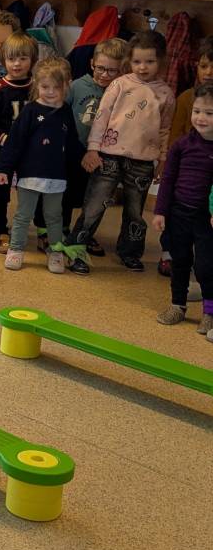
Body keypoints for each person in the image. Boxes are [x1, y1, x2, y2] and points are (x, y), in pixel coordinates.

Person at [71, 31, 175, 272]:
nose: (142, 67)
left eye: (150, 61)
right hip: (108, 156)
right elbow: (101, 118)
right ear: (130, 61)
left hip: (142, 162)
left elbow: (164, 130)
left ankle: (130, 252)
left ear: (161, 61)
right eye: (137, 61)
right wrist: (93, 149)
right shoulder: (120, 84)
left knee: (134, 212)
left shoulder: (166, 94)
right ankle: (76, 249)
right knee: (94, 205)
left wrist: (162, 159)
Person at [0, 57, 80, 273]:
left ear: (66, 85)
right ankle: (16, 249)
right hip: (29, 175)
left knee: (54, 217)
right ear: (36, 83)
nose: (50, 92)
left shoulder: (66, 113)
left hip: (56, 177)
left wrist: (80, 168)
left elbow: (72, 145)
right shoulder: (30, 111)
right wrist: (4, 169)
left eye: (56, 87)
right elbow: (14, 142)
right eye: (45, 87)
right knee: (23, 215)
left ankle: (55, 251)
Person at [152, 80, 213, 335]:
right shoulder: (182, 145)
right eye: (197, 111)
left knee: (206, 266)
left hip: (205, 219)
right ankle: (178, 304)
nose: (201, 118)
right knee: (180, 261)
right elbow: (168, 179)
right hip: (178, 212)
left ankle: (209, 312)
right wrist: (160, 210)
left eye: (209, 113)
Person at [158, 37, 213, 278]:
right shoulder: (186, 98)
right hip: (185, 172)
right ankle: (169, 255)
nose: (209, 72)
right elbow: (175, 136)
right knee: (175, 220)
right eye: (203, 66)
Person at [66, 38, 128, 250]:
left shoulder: (120, 91)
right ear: (92, 63)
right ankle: (62, 230)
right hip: (74, 150)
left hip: (103, 156)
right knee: (67, 194)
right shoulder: (76, 86)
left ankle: (84, 233)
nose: (104, 75)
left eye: (112, 71)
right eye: (101, 68)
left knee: (94, 199)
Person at [0, 33, 39, 254]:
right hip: (2, 151)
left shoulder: (37, 87)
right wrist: (1, 137)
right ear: (4, 60)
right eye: (12, 58)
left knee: (31, 190)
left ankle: (35, 228)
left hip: (30, 151)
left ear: (32, 60)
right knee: (1, 191)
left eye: (23, 58)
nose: (17, 64)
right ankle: (0, 228)